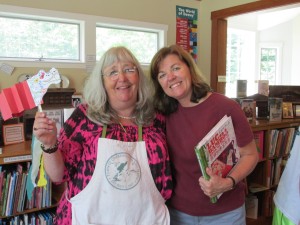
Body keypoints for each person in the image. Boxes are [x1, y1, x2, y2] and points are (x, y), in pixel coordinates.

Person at [33, 46, 172, 225]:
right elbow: (58, 176)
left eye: (129, 69)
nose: (122, 77)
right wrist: (49, 143)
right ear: (102, 82)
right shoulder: (84, 117)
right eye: (112, 72)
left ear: (139, 76)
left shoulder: (157, 119)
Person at [150, 44, 259, 225]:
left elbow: (251, 154)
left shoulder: (225, 107)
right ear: (159, 84)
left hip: (225, 214)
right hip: (178, 214)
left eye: (176, 68)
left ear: (189, 70)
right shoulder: (162, 115)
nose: (171, 77)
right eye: (162, 75)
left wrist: (228, 182)